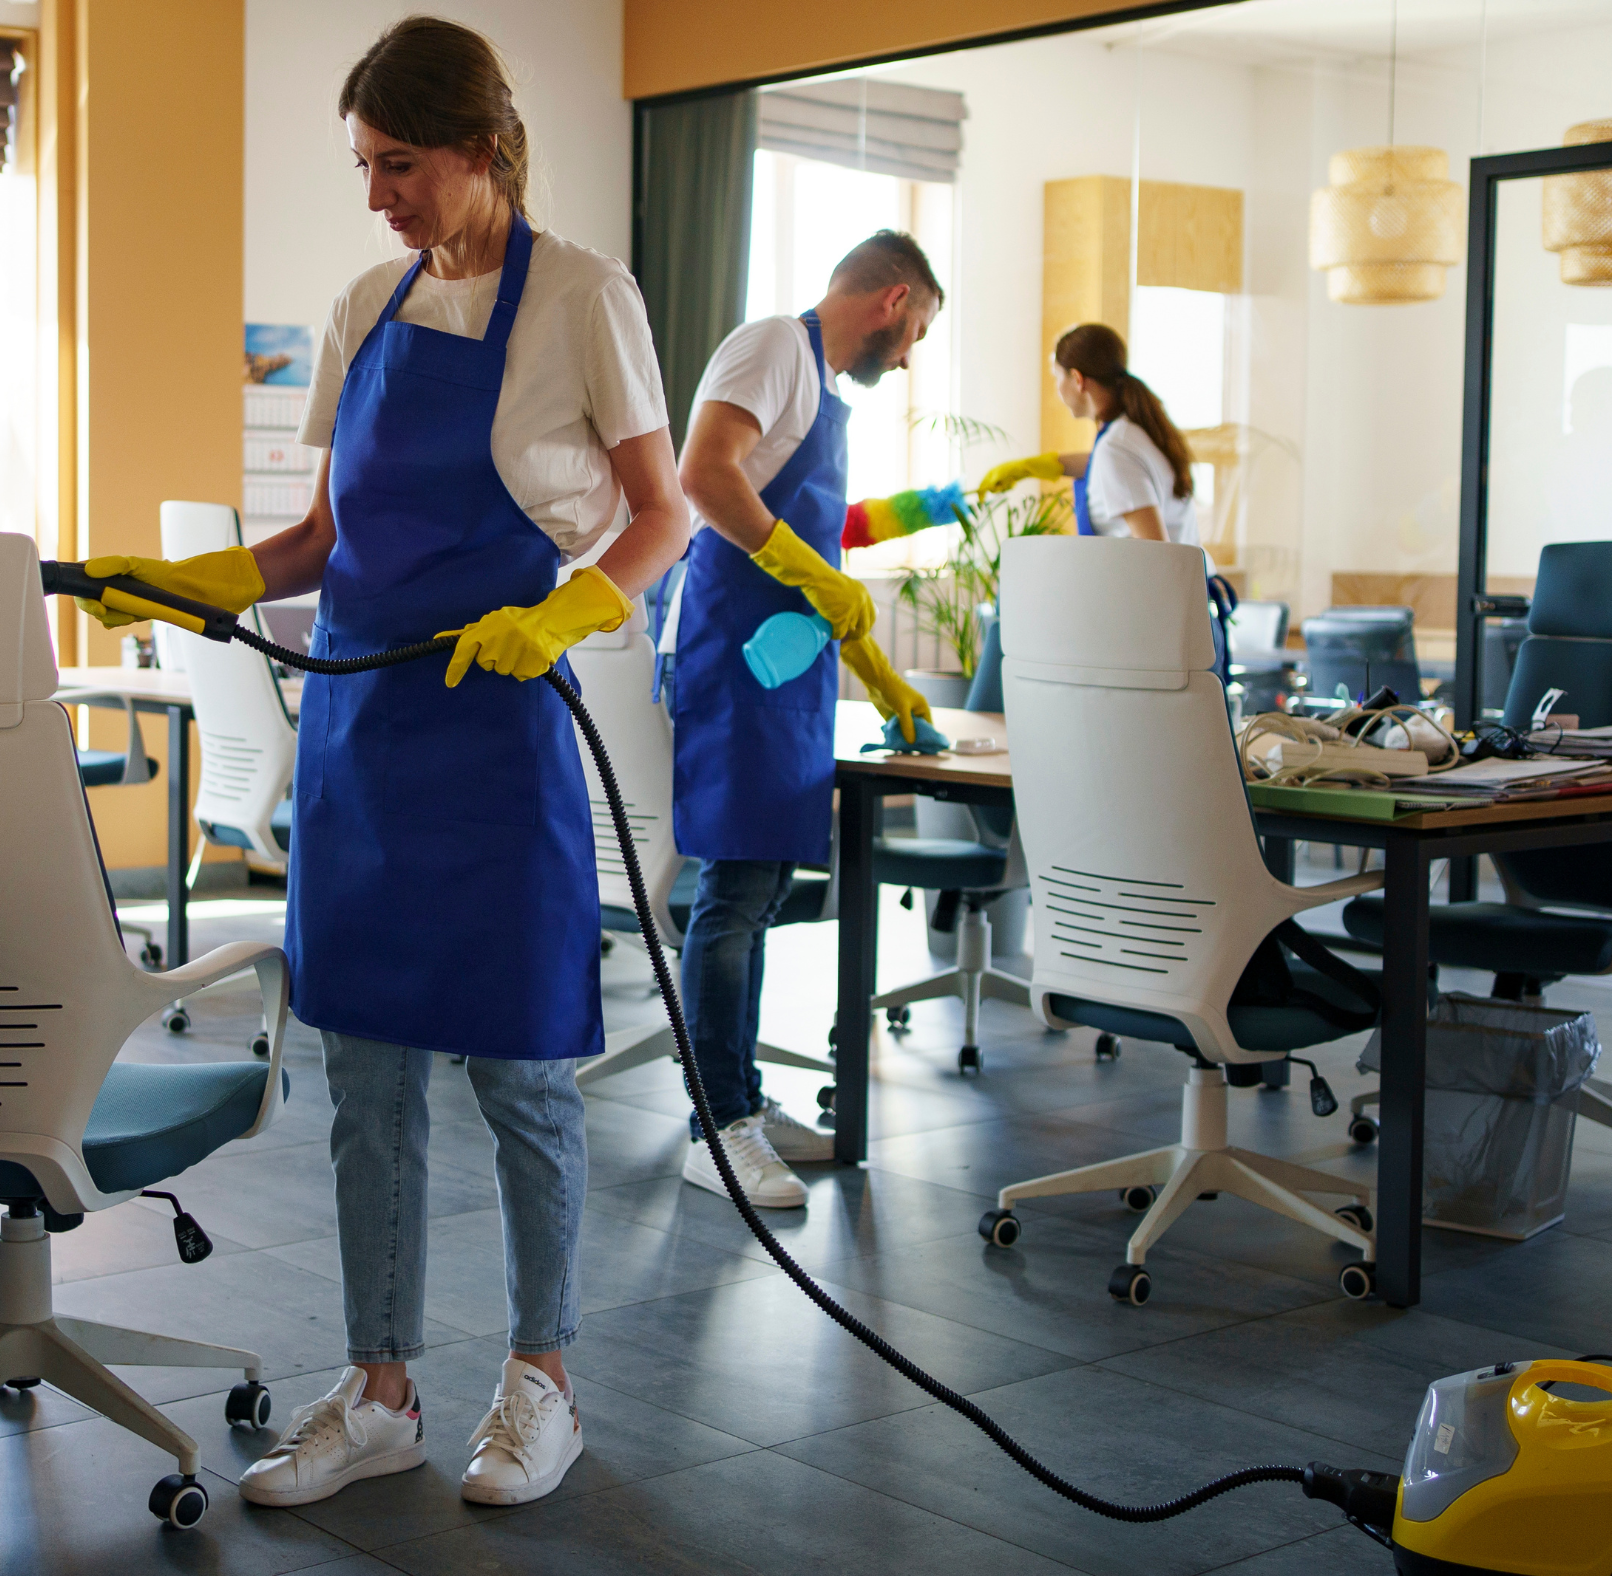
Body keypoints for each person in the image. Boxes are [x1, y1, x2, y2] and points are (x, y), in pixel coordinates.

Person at [75, 17, 687, 1511]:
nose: (377, 198)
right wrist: (189, 577)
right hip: (363, 741)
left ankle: (543, 1386)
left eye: (397, 165)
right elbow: (320, 540)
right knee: (366, 1085)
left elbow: (663, 515)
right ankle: (383, 1390)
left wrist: (562, 618)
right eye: (363, 166)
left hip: (501, 736)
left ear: (478, 147)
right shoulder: (363, 304)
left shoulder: (588, 300)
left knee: (526, 1078)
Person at [668, 232, 941, 1209]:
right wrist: (811, 572)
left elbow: (818, 533)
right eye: (915, 332)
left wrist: (878, 668)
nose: (908, 355)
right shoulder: (771, 347)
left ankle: (737, 1100)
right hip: (737, 661)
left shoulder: (813, 384)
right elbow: (705, 475)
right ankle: (716, 1126)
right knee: (733, 895)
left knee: (760, 888)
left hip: (782, 670)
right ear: (892, 296)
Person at [980, 321, 1199, 547]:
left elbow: (1157, 552)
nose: (1057, 388)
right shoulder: (1131, 433)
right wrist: (1033, 466)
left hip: (1166, 582)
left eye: (1057, 377)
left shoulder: (1115, 449)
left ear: (1077, 379)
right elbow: (1101, 465)